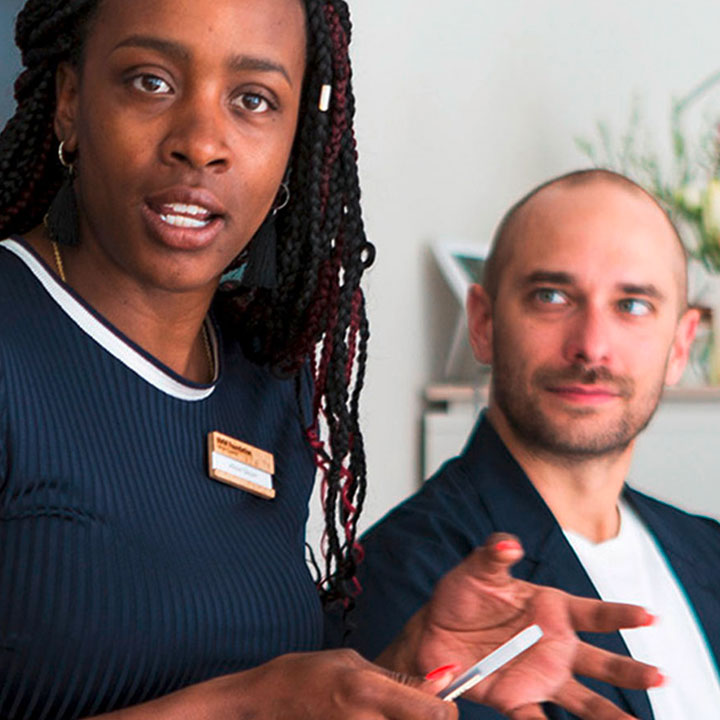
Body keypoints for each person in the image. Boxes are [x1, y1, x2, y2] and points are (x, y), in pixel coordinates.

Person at [0, 1, 665, 716]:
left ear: (297, 140)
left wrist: (407, 664)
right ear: (70, 103)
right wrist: (244, 706)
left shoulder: (263, 382)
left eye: (253, 99)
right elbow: (256, 697)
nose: (201, 142)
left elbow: (255, 676)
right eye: (150, 81)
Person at [344, 169, 720, 719]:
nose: (592, 347)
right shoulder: (403, 575)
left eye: (632, 305)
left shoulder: (708, 551)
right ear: (484, 323)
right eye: (552, 296)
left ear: (680, 345)